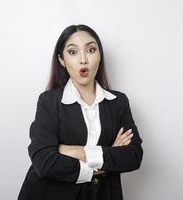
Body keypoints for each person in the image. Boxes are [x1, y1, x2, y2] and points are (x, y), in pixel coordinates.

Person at [18, 24, 143, 200]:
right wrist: (106, 157)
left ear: (100, 56)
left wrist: (77, 152)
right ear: (61, 60)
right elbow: (44, 161)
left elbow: (133, 156)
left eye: (91, 50)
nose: (83, 60)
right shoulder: (49, 102)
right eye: (73, 52)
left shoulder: (118, 102)